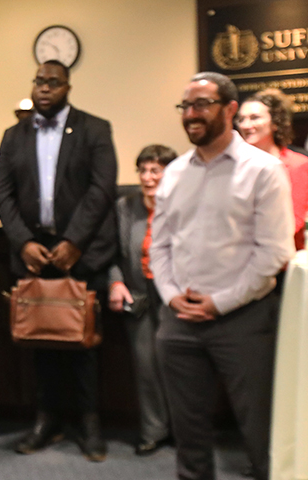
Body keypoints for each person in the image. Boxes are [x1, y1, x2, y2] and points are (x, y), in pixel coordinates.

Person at [151, 72, 295, 480]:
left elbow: (275, 252)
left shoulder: (263, 170)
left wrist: (221, 301)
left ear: (230, 109)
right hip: (179, 321)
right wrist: (171, 295)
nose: (191, 115)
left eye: (201, 105)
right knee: (188, 434)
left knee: (261, 431)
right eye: (185, 106)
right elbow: (159, 246)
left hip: (243, 320)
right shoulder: (175, 173)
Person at [0, 60, 117, 462]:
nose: (44, 88)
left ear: (67, 86)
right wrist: (23, 242)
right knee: (40, 344)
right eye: (39, 81)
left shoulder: (95, 129)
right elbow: (4, 194)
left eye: (53, 82)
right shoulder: (13, 136)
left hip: (78, 255)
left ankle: (89, 423)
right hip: (33, 256)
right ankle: (46, 422)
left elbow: (101, 190)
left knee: (84, 346)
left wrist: (74, 241)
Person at [107, 144, 177, 456]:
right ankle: (153, 430)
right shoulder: (126, 206)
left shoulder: (181, 204)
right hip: (137, 294)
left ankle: (182, 430)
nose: (147, 177)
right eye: (143, 170)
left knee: (178, 366)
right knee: (145, 365)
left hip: (175, 297)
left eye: (155, 170)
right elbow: (111, 252)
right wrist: (116, 282)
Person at [237, 88, 308, 250]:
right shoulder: (234, 164)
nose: (246, 125)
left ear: (275, 123)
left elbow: (293, 222)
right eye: (241, 119)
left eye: (254, 118)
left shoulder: (298, 164)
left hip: (282, 261)